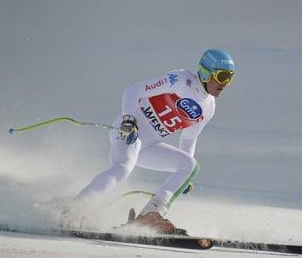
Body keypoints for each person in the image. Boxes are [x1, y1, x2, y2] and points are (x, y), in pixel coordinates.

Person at [75, 49, 235, 233]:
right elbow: (134, 90)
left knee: (190, 166)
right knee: (122, 169)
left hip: (148, 145)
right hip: (130, 131)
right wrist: (128, 119)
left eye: (230, 78)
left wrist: (185, 178)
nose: (226, 84)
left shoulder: (209, 108)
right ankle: (74, 208)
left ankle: (149, 216)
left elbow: (189, 137)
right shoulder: (181, 81)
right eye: (222, 77)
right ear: (207, 73)